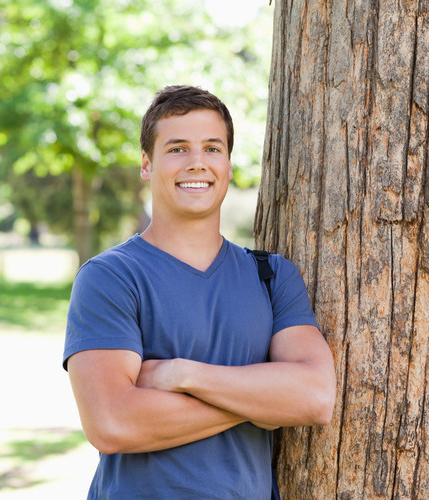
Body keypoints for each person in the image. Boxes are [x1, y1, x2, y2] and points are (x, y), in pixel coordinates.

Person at [62, 85, 337, 499]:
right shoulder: (110, 277)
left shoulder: (271, 276)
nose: (197, 163)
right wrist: (263, 405)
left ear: (227, 163)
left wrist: (182, 375)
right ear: (146, 164)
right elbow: (111, 424)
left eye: (212, 148)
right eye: (177, 149)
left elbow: (314, 398)